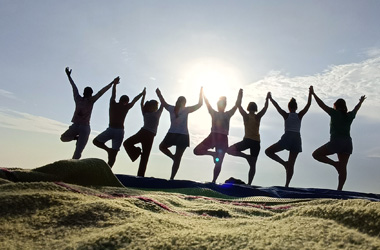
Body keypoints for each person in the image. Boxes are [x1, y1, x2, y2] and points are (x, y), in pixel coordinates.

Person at [311, 86, 366, 190]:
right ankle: (339, 189)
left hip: (336, 142)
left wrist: (313, 94)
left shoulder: (334, 113)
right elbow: (356, 109)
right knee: (343, 167)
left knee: (316, 154)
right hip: (348, 143)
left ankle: (335, 164)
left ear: (336, 105)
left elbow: (321, 105)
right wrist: (361, 102)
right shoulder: (349, 115)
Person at [60, 67, 118, 159]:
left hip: (85, 128)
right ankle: (76, 138)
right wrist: (69, 76)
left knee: (78, 151)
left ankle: (74, 165)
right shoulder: (78, 99)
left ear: (90, 94)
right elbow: (74, 87)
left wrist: (112, 83)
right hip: (75, 126)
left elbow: (101, 92)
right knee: (63, 138)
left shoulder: (91, 100)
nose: (86, 93)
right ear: (84, 93)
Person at [265, 87, 312, 187]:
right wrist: (310, 93)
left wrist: (271, 98)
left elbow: (277, 107)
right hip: (296, 138)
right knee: (292, 164)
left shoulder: (286, 115)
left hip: (288, 137)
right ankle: (287, 184)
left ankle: (284, 164)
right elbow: (308, 105)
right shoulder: (300, 115)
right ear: (296, 107)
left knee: (268, 151)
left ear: (289, 107)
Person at [194, 89, 242, 183]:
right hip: (213, 136)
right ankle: (213, 154)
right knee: (196, 150)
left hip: (222, 138)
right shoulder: (214, 113)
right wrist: (203, 94)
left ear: (224, 106)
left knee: (219, 162)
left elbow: (237, 105)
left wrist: (240, 95)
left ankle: (214, 181)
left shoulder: (227, 114)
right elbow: (207, 104)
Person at [92, 81, 144, 167]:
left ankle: (109, 162)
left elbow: (114, 95)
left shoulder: (115, 104)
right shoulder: (122, 106)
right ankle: (109, 151)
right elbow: (134, 100)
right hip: (117, 130)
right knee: (109, 150)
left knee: (103, 146)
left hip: (115, 130)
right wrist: (142, 94)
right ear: (126, 101)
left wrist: (115, 85)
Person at [156, 87, 203, 180]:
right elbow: (200, 104)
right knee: (174, 156)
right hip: (180, 135)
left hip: (177, 134)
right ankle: (172, 174)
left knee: (165, 149)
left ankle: (172, 176)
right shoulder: (183, 109)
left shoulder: (173, 108)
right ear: (184, 103)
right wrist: (201, 93)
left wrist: (159, 94)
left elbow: (163, 103)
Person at [226, 90, 270, 185]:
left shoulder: (246, 116)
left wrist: (240, 95)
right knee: (253, 165)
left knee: (229, 150)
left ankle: (246, 157)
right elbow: (266, 107)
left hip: (248, 141)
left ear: (249, 108)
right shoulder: (257, 116)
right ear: (255, 108)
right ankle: (249, 183)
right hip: (255, 142)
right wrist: (267, 98)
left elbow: (238, 105)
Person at [123, 89, 164, 176]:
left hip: (150, 136)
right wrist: (143, 95)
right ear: (151, 106)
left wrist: (159, 95)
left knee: (145, 157)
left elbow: (162, 104)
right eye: (155, 106)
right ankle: (136, 152)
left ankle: (140, 175)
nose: (156, 108)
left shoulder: (157, 113)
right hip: (143, 132)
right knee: (126, 143)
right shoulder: (146, 113)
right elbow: (141, 104)